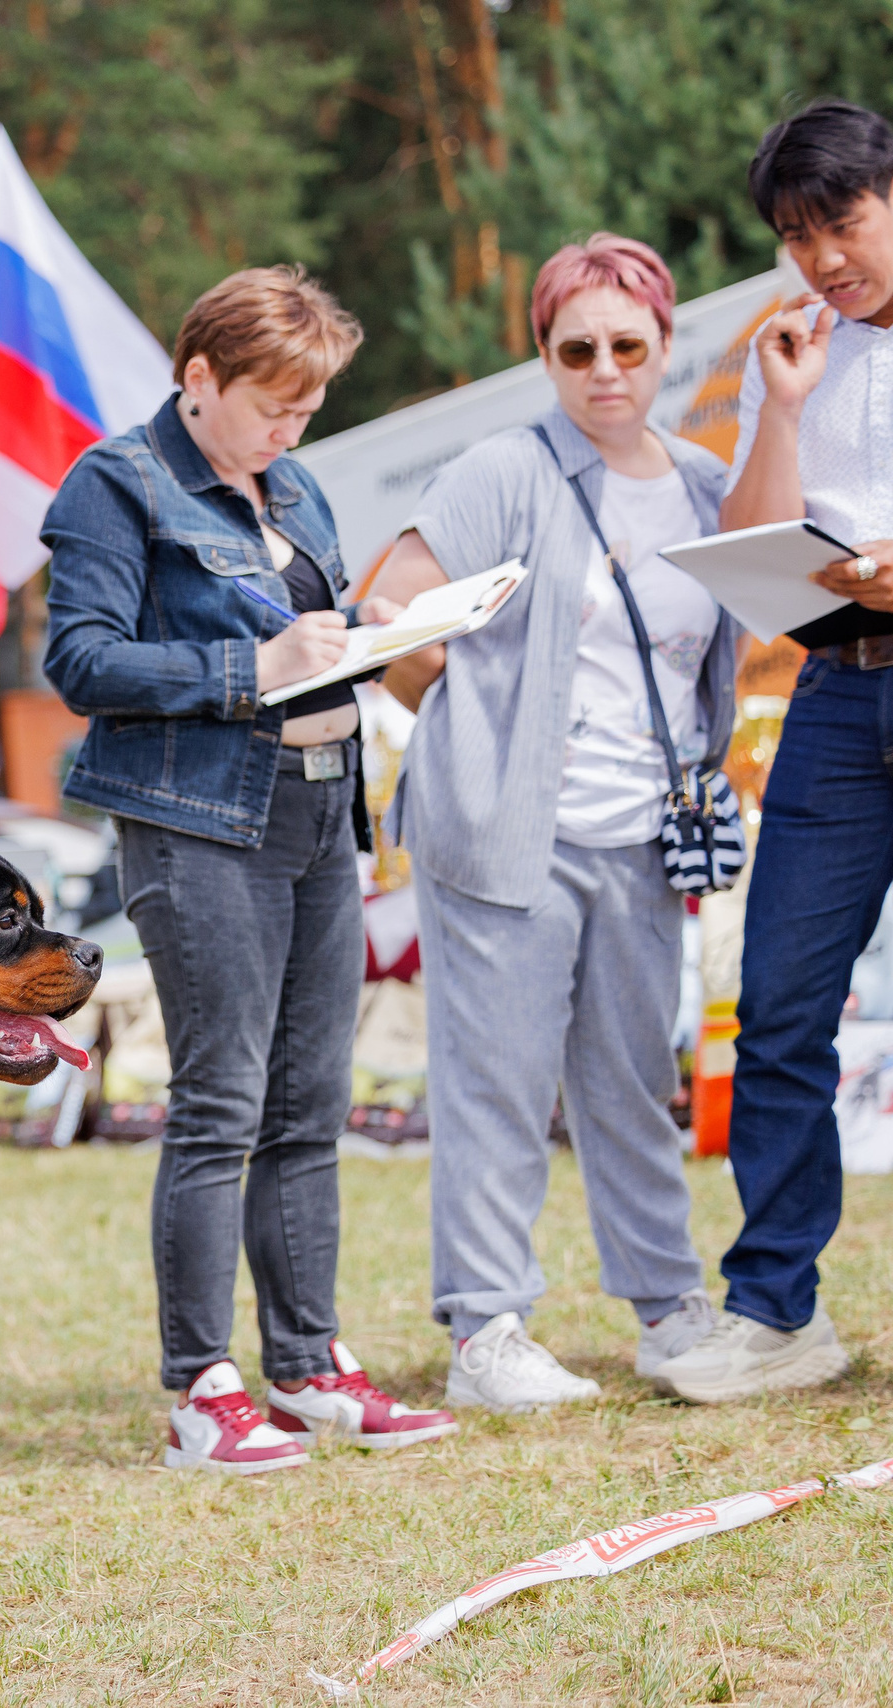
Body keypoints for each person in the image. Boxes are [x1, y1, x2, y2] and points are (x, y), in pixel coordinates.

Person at [46, 267, 459, 1473]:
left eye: (308, 407)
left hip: (319, 809)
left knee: (309, 1105)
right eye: (274, 403)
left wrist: (378, 632)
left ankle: (310, 1363)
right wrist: (255, 662)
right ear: (200, 377)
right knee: (220, 1103)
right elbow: (80, 661)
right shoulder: (115, 483)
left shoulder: (297, 485)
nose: (293, 428)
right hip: (195, 819)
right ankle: (200, 1385)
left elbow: (312, 645)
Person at [372, 235, 740, 1412]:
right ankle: (485, 1329)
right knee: (498, 1079)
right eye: (574, 348)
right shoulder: (503, 469)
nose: (603, 370)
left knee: (633, 1076)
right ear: (543, 354)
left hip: (642, 833)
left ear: (663, 347)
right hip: (505, 834)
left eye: (626, 346)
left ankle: (670, 1308)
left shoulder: (698, 481)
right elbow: (390, 609)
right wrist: (472, 725)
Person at [655, 98, 893, 1403]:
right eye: (795, 237)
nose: (820, 260)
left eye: (841, 223)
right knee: (785, 1004)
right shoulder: (788, 349)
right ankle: (780, 1314)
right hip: (839, 698)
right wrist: (789, 405)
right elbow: (760, 558)